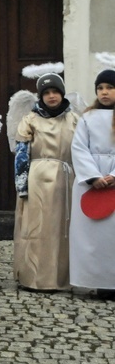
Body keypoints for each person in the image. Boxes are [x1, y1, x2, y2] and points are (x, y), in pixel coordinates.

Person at [12, 63, 78, 291]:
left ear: (61, 93)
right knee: (35, 228)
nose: (51, 96)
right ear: (40, 96)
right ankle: (33, 276)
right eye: (46, 93)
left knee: (61, 228)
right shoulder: (30, 120)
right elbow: (21, 154)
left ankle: (60, 277)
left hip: (65, 179)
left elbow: (80, 151)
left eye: (55, 91)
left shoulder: (74, 120)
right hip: (36, 178)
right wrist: (22, 185)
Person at [70, 55, 115, 300]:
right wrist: (93, 176)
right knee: (94, 236)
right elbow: (78, 148)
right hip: (92, 182)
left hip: (113, 180)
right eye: (100, 88)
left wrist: (112, 176)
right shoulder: (86, 118)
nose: (104, 92)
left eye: (109, 87)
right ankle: (96, 280)